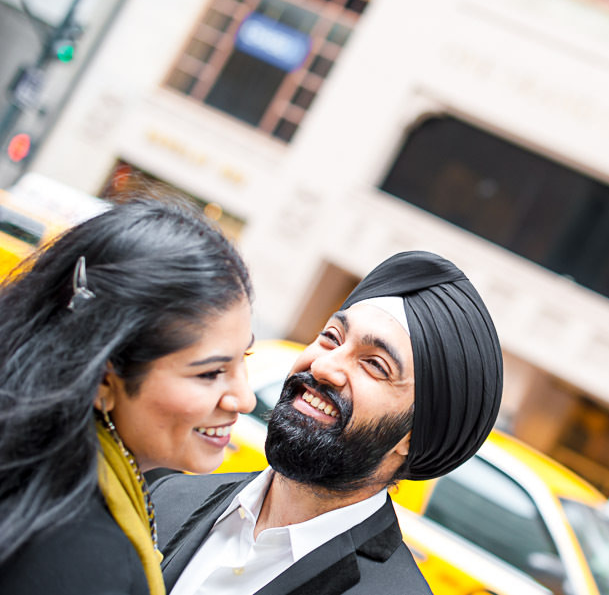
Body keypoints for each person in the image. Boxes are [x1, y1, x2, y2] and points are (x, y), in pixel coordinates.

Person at [149, 250, 504, 595]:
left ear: (412, 435)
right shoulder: (168, 497)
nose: (323, 366)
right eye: (331, 338)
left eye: (374, 364)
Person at [0, 199, 258, 595]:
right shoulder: (82, 559)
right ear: (103, 378)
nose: (243, 399)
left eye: (246, 357)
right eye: (210, 373)